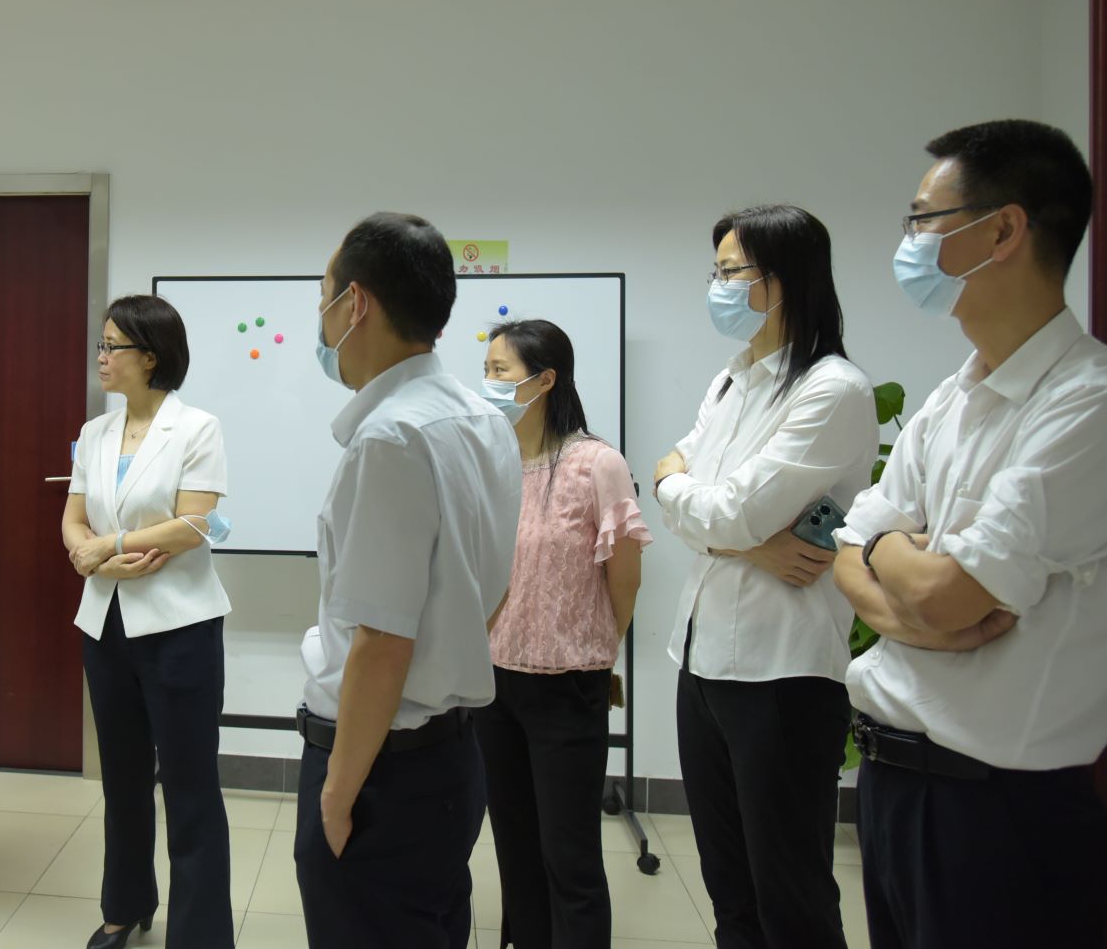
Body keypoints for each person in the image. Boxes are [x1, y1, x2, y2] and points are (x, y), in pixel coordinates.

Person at [832, 119, 1107, 949]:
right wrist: (895, 567)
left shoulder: (1090, 403)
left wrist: (890, 552)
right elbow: (852, 552)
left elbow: (949, 596)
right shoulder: (953, 396)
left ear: (1003, 230)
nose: (910, 242)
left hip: (1000, 813)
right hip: (895, 783)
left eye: (925, 219)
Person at [293, 212, 523, 949]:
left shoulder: (390, 437)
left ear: (355, 303)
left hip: (379, 770)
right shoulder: (482, 419)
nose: (320, 317)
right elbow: (491, 592)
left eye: (323, 296)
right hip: (448, 758)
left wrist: (337, 796)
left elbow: (383, 643)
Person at [652, 205, 877, 949]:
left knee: (790, 894)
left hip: (781, 673)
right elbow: (710, 506)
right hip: (701, 660)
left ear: (783, 279)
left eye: (731, 272)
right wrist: (744, 542)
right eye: (715, 270)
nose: (717, 286)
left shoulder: (832, 389)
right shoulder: (732, 378)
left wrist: (689, 498)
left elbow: (727, 508)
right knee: (730, 889)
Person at [61, 294, 234, 949]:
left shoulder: (197, 427)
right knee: (123, 779)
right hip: (105, 624)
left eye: (113, 346)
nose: (101, 356)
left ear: (151, 356)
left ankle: (200, 933)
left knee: (190, 786)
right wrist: (87, 551)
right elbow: (73, 516)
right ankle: (125, 905)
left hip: (179, 627)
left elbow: (194, 522)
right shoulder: (96, 432)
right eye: (101, 344)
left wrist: (107, 546)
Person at [475, 319, 648, 949]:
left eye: (500, 371)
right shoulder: (492, 462)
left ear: (545, 380)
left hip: (569, 686)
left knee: (568, 857)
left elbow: (624, 578)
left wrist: (595, 651)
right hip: (494, 684)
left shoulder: (596, 463)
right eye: (486, 370)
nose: (488, 383)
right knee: (515, 849)